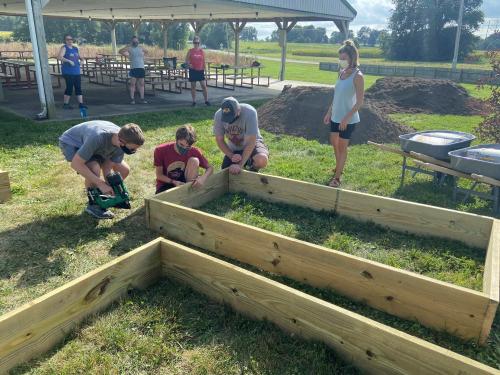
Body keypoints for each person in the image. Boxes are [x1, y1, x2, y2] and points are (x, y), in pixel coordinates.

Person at [59, 120, 145, 219]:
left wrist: (109, 187)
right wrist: (100, 184)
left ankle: (102, 196)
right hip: (72, 142)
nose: (134, 151)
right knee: (94, 169)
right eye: (132, 149)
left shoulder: (120, 141)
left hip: (95, 145)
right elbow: (76, 164)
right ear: (121, 142)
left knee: (124, 170)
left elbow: (107, 166)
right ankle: (93, 204)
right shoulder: (97, 137)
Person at [322, 40, 364, 188]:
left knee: (342, 146)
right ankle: (338, 166)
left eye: (344, 58)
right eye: (340, 58)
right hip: (335, 116)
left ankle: (337, 178)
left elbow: (359, 102)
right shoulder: (340, 73)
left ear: (352, 58)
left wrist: (346, 118)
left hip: (348, 119)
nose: (341, 61)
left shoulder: (358, 76)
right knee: (334, 143)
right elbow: (337, 96)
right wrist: (329, 112)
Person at [213, 97, 269, 175]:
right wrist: (231, 155)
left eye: (232, 116)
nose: (230, 121)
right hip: (234, 147)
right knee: (226, 173)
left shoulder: (250, 113)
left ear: (238, 111)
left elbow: (251, 142)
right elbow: (219, 140)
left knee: (261, 160)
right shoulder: (218, 115)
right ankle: (246, 161)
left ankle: (252, 170)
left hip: (252, 144)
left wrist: (240, 165)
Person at [154, 124, 213, 194]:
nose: (184, 148)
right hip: (167, 183)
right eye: (181, 145)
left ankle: (189, 191)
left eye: (188, 146)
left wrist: (203, 178)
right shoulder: (160, 150)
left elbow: (210, 168)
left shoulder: (194, 151)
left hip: (184, 182)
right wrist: (173, 182)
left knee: (194, 160)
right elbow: (159, 175)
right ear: (176, 139)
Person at [58, 34, 87, 110]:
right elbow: (59, 57)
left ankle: (81, 104)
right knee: (69, 87)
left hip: (76, 71)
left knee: (78, 88)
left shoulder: (75, 48)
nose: (70, 41)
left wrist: (82, 61)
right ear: (65, 40)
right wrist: (68, 61)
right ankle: (66, 104)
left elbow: (81, 58)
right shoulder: (64, 48)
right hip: (68, 72)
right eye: (67, 39)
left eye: (71, 39)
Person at [119, 36, 148, 105]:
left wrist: (143, 51)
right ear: (132, 42)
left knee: (141, 84)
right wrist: (128, 47)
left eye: (136, 41)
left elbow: (147, 51)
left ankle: (142, 98)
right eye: (134, 41)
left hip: (141, 68)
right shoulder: (129, 48)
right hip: (133, 68)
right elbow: (120, 51)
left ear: (138, 41)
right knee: (132, 84)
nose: (135, 43)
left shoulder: (141, 48)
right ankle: (132, 99)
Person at [185, 36, 209, 106]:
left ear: (199, 43)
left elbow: (204, 61)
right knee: (193, 86)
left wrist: (206, 71)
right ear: (193, 43)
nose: (196, 44)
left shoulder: (201, 51)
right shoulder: (190, 51)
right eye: (195, 42)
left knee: (203, 86)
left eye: (198, 43)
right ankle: (194, 101)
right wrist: (189, 65)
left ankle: (206, 101)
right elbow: (186, 61)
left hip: (200, 70)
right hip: (193, 71)